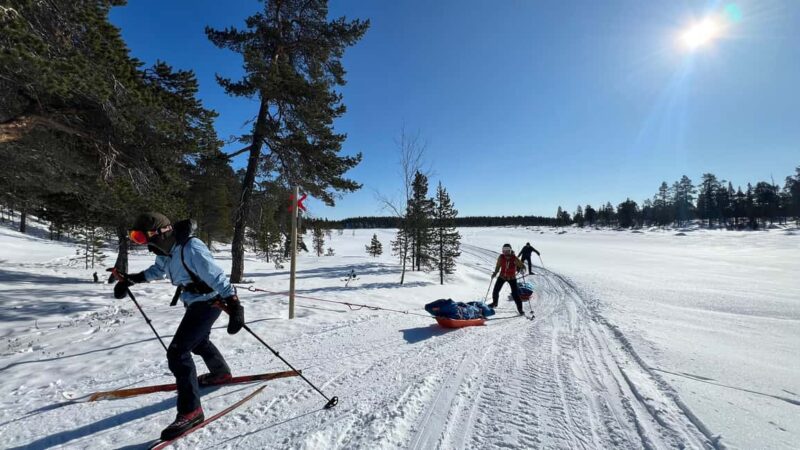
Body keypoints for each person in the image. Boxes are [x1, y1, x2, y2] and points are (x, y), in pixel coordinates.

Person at [109, 212, 245, 440]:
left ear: (160, 232)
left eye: (141, 238)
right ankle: (221, 373)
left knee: (178, 352)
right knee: (198, 342)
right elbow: (157, 271)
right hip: (193, 301)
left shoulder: (191, 247)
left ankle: (191, 411)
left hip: (210, 301)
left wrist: (234, 303)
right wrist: (131, 279)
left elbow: (216, 276)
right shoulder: (166, 250)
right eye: (136, 238)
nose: (142, 243)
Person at [490, 243, 526, 315]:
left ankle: (520, 310)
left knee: (515, 294)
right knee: (495, 291)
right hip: (502, 276)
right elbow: (498, 266)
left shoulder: (514, 258)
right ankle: (495, 303)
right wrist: (495, 273)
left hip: (512, 278)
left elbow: (523, 266)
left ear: (510, 250)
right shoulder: (501, 257)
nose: (505, 251)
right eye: (504, 250)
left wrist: (522, 270)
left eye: (507, 250)